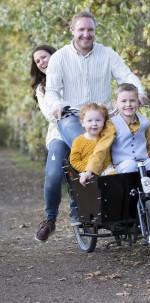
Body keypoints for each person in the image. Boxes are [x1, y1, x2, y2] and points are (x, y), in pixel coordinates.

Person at [45, 10, 149, 149]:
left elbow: (126, 76)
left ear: (95, 31)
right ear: (72, 30)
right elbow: (51, 90)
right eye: (81, 29)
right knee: (57, 169)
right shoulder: (59, 57)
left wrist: (139, 92)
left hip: (104, 117)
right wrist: (57, 104)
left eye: (90, 30)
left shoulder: (108, 54)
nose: (86, 34)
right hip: (73, 117)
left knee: (130, 144)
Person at [31, 45, 81, 243]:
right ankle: (50, 220)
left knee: (83, 167)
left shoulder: (73, 76)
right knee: (53, 174)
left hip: (84, 128)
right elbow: (51, 114)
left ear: (54, 56)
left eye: (44, 57)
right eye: (38, 61)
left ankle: (78, 210)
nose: (42, 62)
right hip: (58, 134)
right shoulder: (41, 89)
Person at [80, 83, 150, 186]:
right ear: (116, 103)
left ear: (138, 102)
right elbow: (102, 148)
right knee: (130, 165)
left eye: (132, 100)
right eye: (123, 101)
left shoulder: (145, 122)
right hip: (122, 166)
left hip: (144, 163)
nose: (128, 104)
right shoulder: (111, 123)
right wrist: (89, 171)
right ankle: (130, 196)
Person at [70, 103, 116, 182]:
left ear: (104, 122)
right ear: (83, 123)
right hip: (86, 171)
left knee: (115, 177)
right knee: (88, 182)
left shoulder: (105, 138)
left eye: (98, 120)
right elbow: (74, 161)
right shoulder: (78, 141)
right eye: (89, 120)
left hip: (106, 169)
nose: (94, 124)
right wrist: (88, 169)